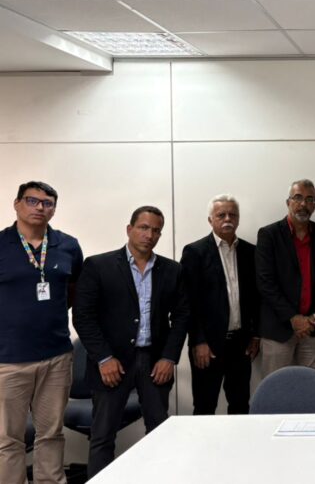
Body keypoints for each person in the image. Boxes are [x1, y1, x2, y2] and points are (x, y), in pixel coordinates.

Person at [73, 206, 189, 478]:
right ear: (129, 229)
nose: (150, 235)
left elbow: (183, 316)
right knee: (102, 436)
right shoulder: (98, 265)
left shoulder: (172, 270)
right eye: (144, 227)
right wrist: (103, 358)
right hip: (112, 363)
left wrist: (169, 357)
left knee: (159, 432)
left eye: (156, 230)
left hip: (154, 361)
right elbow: (83, 316)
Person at [0, 181, 82, 484]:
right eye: (32, 201)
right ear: (17, 204)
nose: (40, 208)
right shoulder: (1, 244)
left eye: (47, 203)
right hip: (9, 361)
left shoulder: (68, 245)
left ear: (53, 209)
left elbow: (73, 292)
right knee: (8, 439)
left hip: (56, 357)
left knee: (50, 434)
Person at [181, 194, 259, 415]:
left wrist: (255, 335)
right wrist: (198, 341)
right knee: (205, 407)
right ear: (210, 220)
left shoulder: (249, 251)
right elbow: (188, 303)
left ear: (238, 219)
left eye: (232, 214)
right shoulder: (195, 252)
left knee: (240, 405)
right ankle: (203, 450)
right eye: (221, 214)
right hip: (208, 346)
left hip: (240, 344)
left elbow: (254, 298)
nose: (227, 219)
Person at [256, 179, 315, 374]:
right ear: (288, 202)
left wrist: (313, 319)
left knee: (310, 390)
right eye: (298, 198)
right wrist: (293, 318)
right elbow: (265, 283)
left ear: (314, 206)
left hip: (312, 330)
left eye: (309, 200)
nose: (303, 204)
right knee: (275, 392)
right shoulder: (269, 235)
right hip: (278, 329)